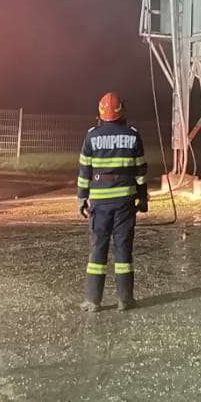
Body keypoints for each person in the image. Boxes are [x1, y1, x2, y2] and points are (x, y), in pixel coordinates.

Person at [77, 92, 147, 312]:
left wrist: (81, 198)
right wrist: (142, 197)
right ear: (122, 111)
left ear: (100, 113)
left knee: (98, 249)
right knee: (123, 250)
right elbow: (141, 172)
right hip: (125, 202)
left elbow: (84, 171)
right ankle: (125, 299)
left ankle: (92, 301)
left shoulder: (91, 137)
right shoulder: (133, 136)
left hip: (99, 203)